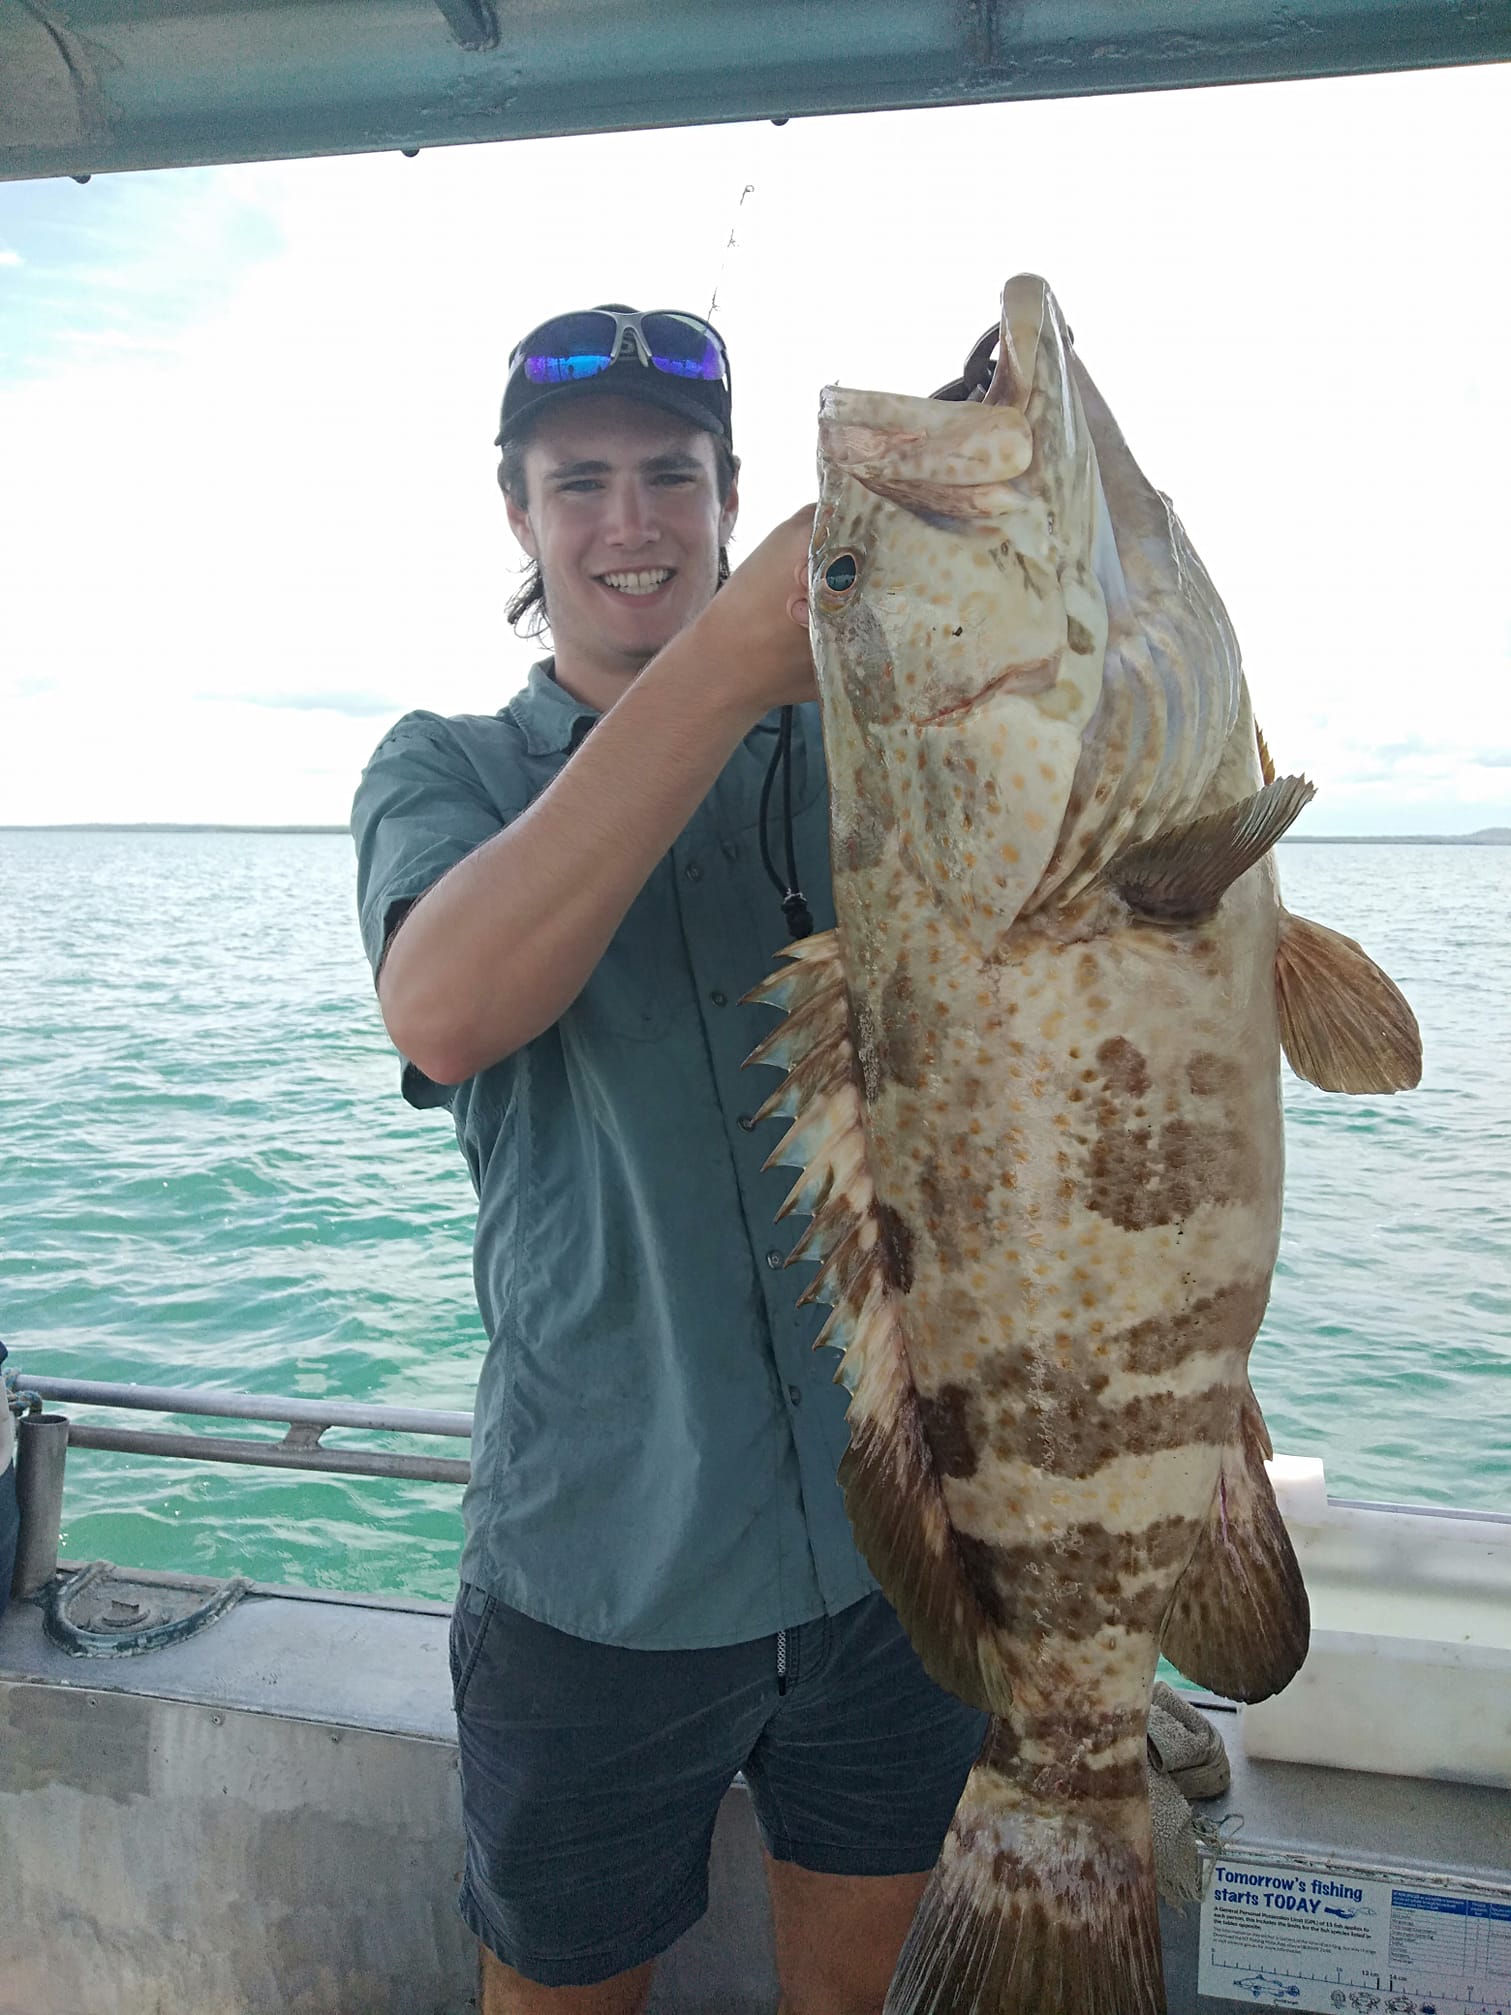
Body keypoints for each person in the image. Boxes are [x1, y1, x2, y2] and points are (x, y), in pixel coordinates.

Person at [351, 304, 987, 2015]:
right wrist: (720, 672)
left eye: (672, 479)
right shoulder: (450, 771)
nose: (630, 522)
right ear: (518, 516)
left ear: (733, 504)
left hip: (900, 1558)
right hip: (599, 1579)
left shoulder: (873, 744)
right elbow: (448, 1011)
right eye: (581, 484)